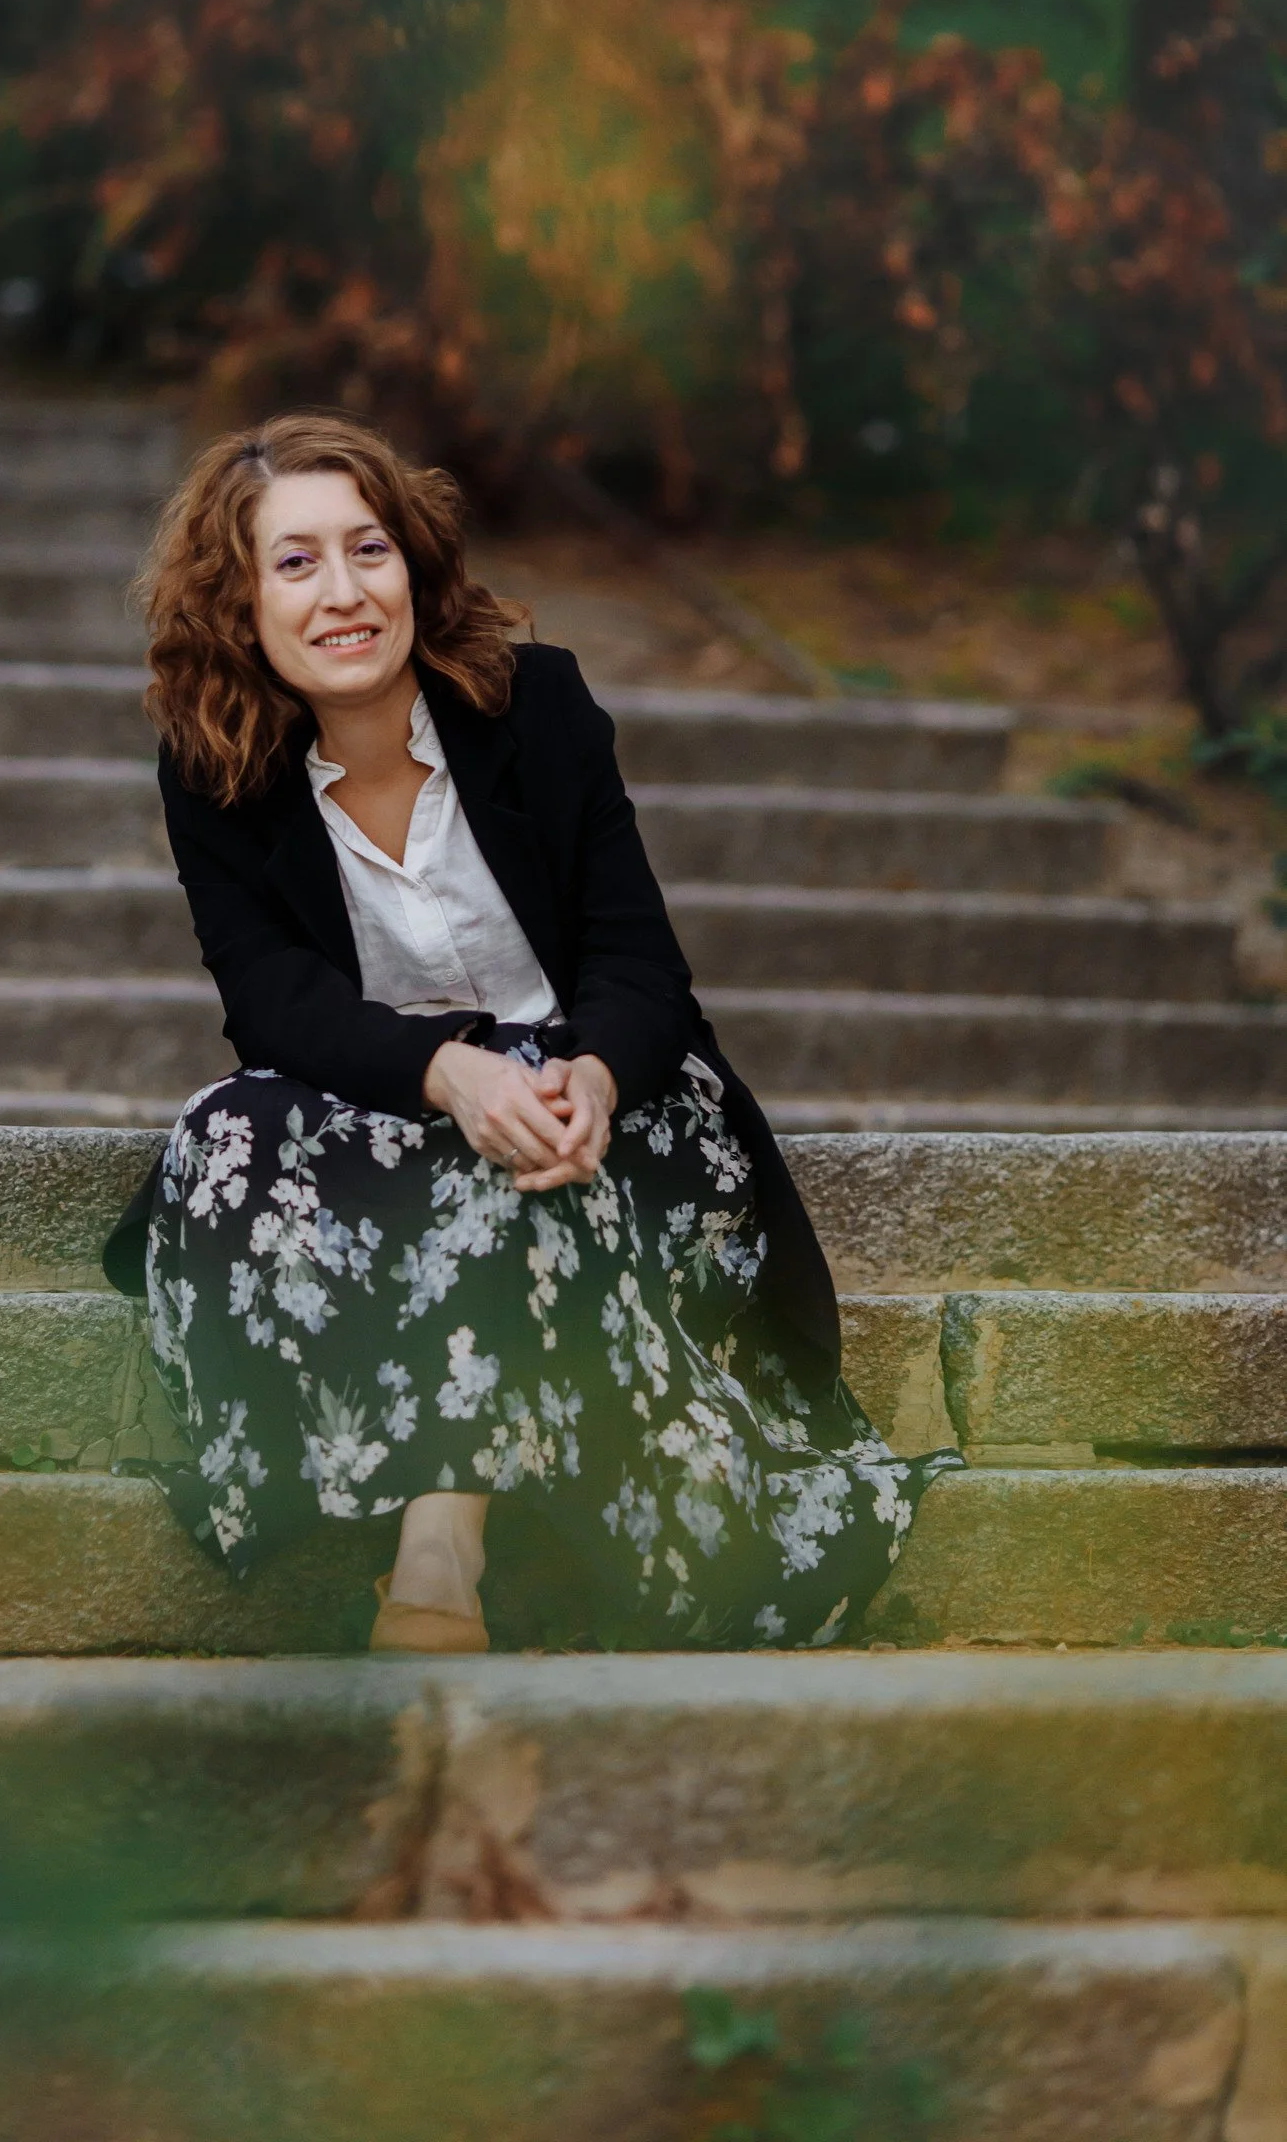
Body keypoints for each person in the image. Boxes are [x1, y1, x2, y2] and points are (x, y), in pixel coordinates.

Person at [104, 413, 960, 1651]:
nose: (344, 592)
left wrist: (591, 1078)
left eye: (370, 549)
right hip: (393, 1126)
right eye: (296, 563)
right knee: (225, 1126)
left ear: (413, 566)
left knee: (519, 1129)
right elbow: (270, 1002)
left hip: (624, 1129)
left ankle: (437, 1557)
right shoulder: (213, 761)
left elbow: (640, 966)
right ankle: (429, 1525)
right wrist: (447, 1072)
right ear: (238, 604)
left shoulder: (535, 703)